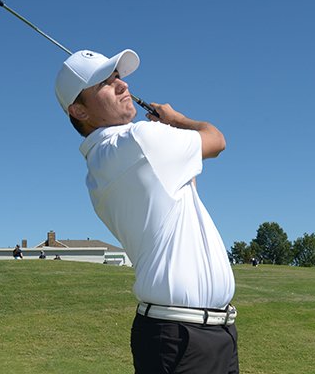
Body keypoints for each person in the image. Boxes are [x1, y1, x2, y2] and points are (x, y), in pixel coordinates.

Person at [55, 49, 238, 373]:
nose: (122, 86)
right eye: (105, 84)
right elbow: (217, 140)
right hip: (181, 338)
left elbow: (187, 179)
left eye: (118, 78)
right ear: (78, 110)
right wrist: (177, 119)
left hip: (209, 334)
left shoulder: (112, 157)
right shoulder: (138, 141)